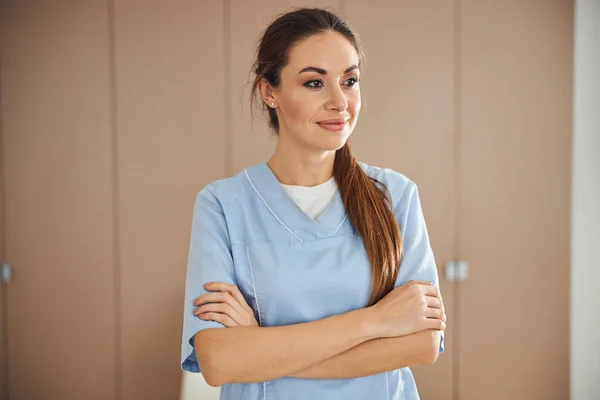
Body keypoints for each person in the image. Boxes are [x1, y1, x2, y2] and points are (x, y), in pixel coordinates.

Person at [180, 7, 446, 400]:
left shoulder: (395, 195)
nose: (340, 101)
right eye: (314, 83)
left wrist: (260, 347)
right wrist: (376, 321)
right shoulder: (222, 205)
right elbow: (219, 362)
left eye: (350, 80)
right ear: (269, 92)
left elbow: (422, 344)